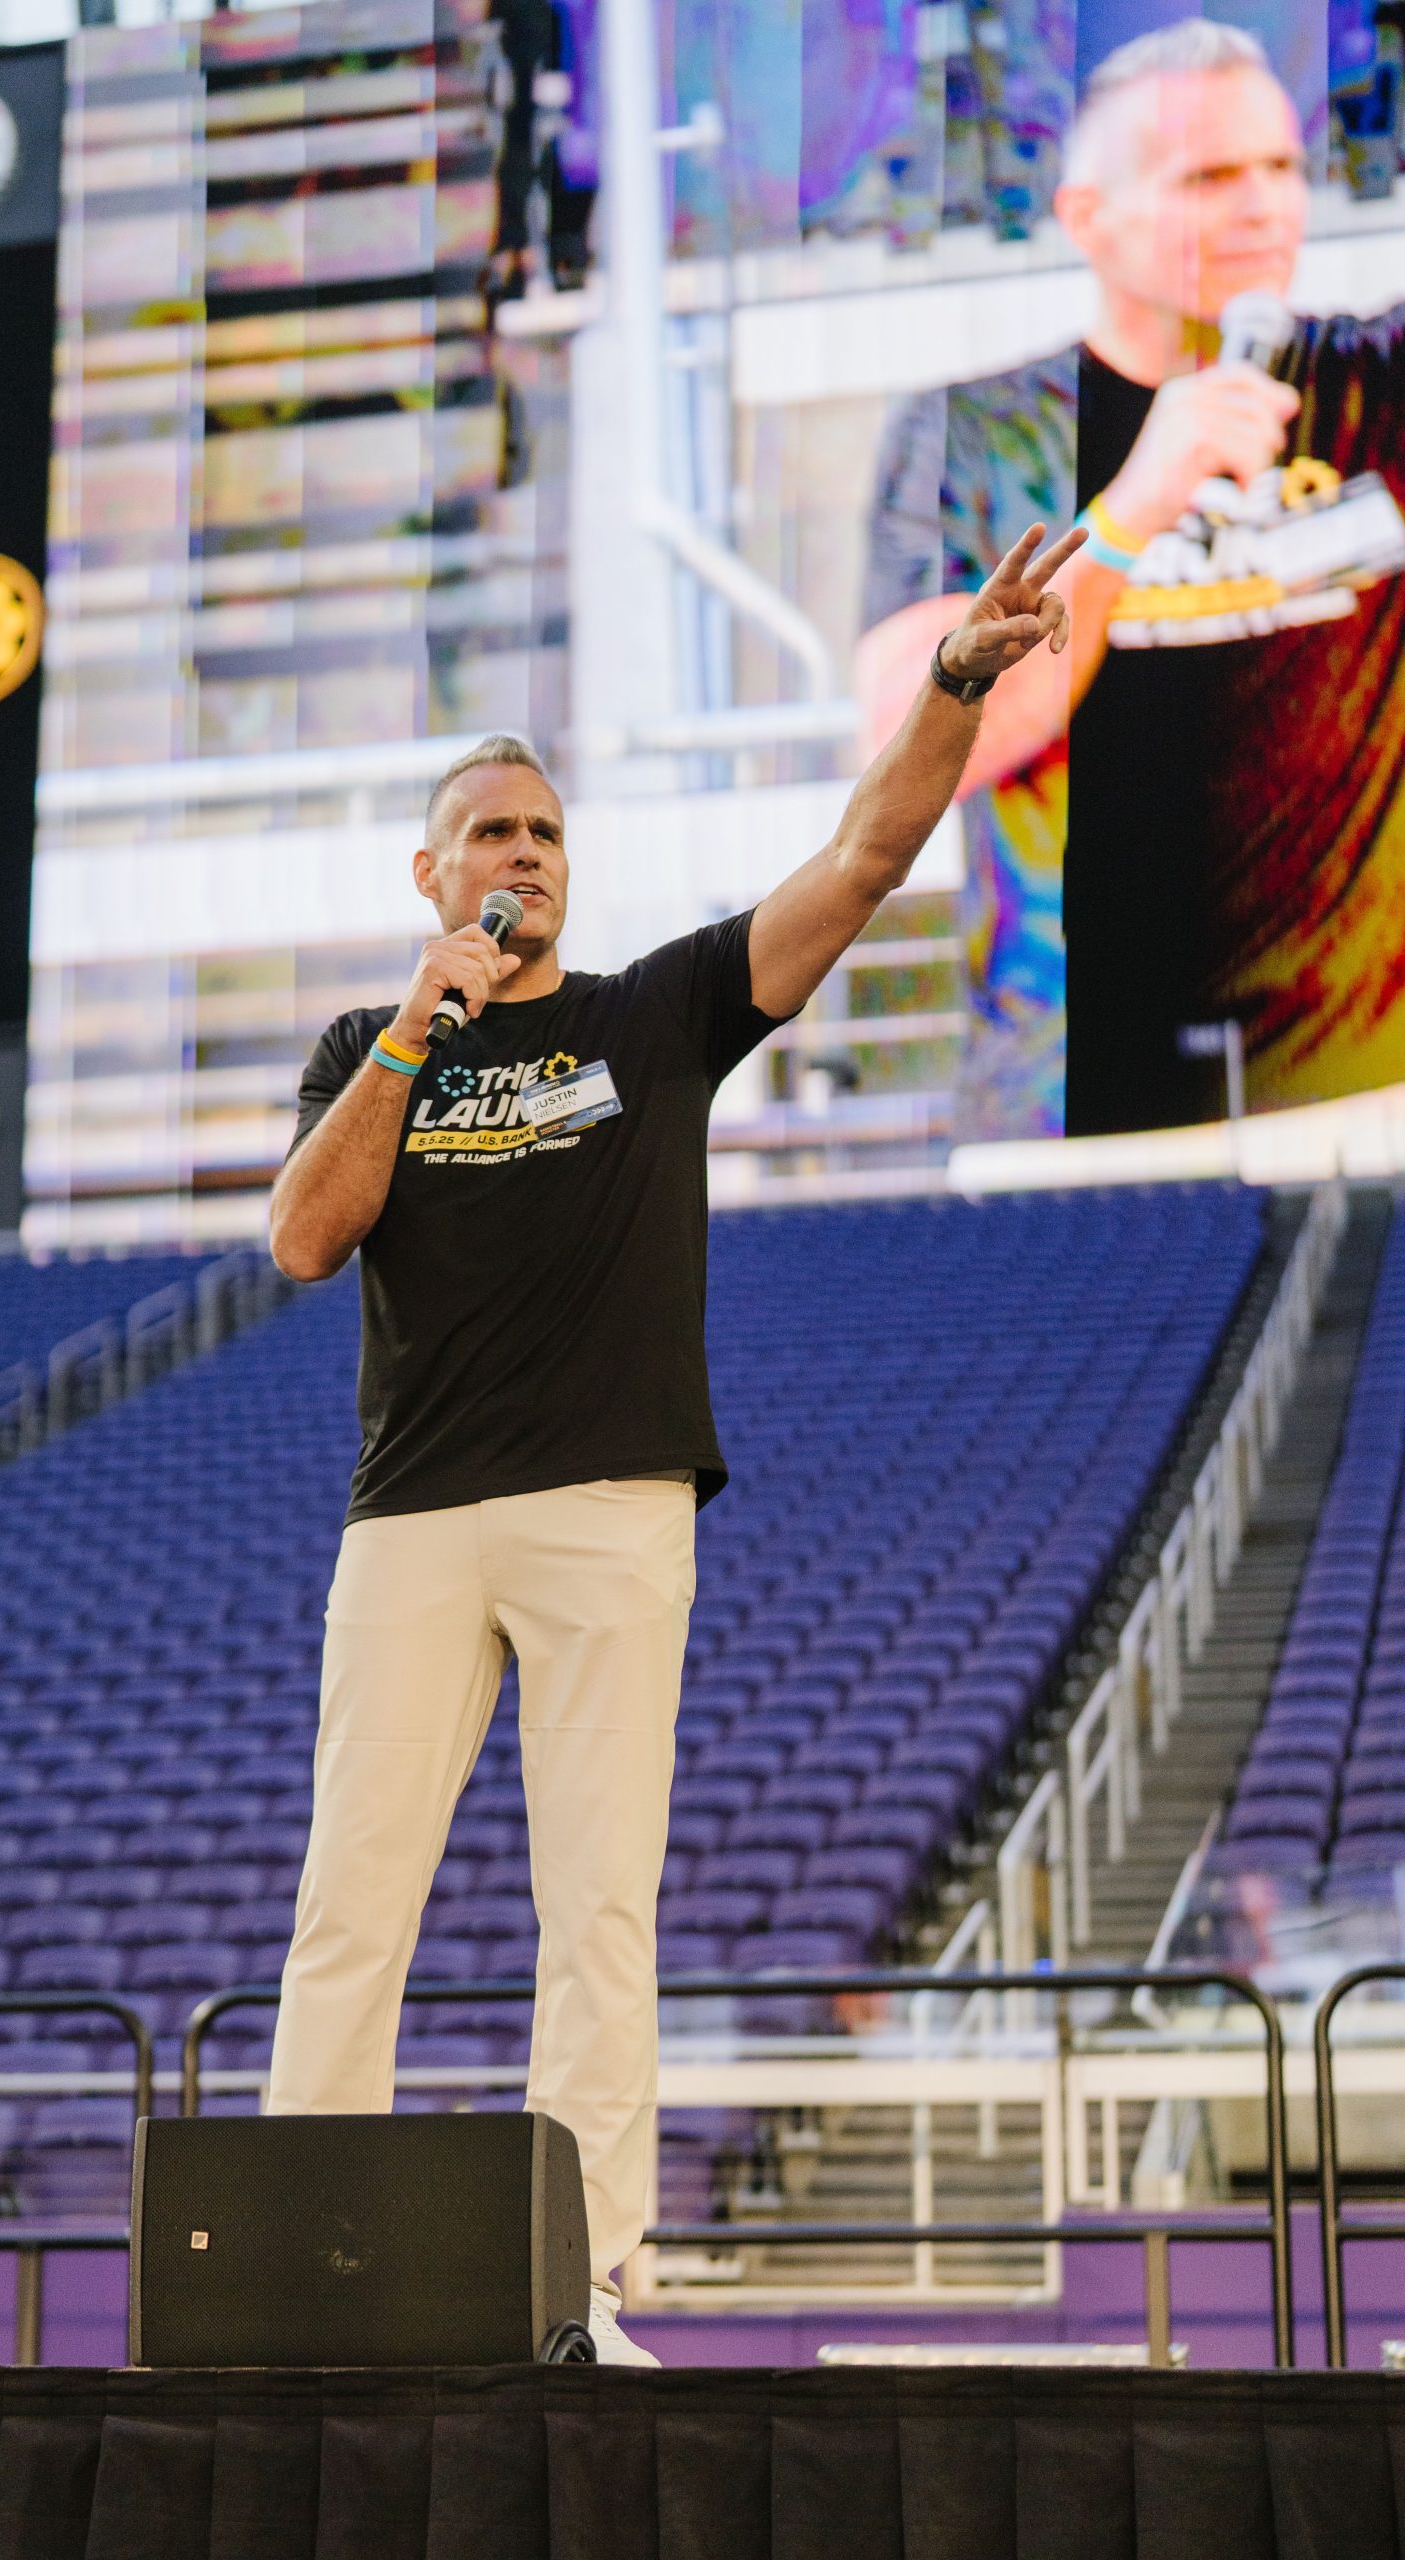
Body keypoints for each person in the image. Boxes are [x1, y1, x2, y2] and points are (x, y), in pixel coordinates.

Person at [263, 519, 1081, 2364]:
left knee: (596, 1911)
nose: (522, 856)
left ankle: (583, 2288)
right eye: (490, 831)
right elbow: (305, 1238)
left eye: (543, 832)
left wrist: (952, 687)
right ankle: (308, 2280)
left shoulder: (653, 1018)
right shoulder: (364, 1046)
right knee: (351, 1902)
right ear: (429, 870)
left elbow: (866, 856)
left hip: (609, 1509)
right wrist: (413, 1029)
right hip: (408, 1522)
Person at [859, 18, 1405, 1138]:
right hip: (1074, 1107)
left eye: (1280, 168)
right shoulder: (975, 432)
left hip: (1369, 1096)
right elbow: (902, 748)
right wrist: (1121, 519)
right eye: (1208, 177)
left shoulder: (1378, 382)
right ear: (1085, 221)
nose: (1261, 205)